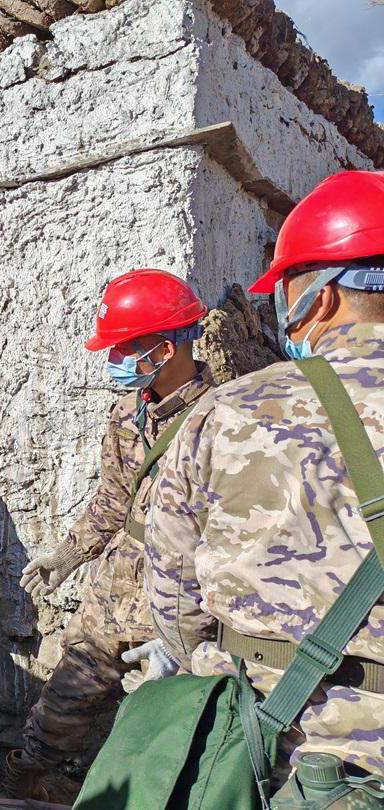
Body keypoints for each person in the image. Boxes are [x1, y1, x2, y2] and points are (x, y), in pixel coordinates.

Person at [145, 170, 384, 781]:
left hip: (275, 745)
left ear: (320, 299)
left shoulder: (229, 411)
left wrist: (198, 660)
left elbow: (175, 597)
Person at [5, 269, 212, 799]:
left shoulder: (220, 420)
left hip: (179, 594)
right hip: (116, 584)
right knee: (67, 693)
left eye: (123, 349)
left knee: (160, 722)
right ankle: (25, 780)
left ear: (164, 350)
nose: (113, 361)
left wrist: (190, 630)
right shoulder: (127, 412)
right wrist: (66, 556)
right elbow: (114, 498)